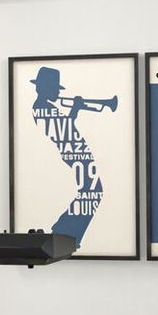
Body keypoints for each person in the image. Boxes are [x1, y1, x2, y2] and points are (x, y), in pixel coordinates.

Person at [29, 66, 116, 245]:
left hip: (75, 150)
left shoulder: (46, 106)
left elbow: (65, 125)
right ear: (43, 88)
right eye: (54, 89)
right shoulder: (41, 107)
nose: (56, 92)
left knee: (91, 192)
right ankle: (64, 233)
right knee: (92, 192)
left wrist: (75, 110)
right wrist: (75, 108)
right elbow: (63, 129)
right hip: (71, 151)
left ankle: (66, 234)